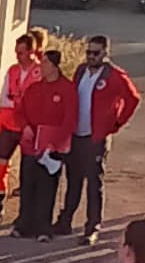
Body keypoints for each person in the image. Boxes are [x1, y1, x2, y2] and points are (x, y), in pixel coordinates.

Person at [56, 31, 140, 242]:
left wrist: (117, 123)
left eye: (95, 53)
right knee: (73, 180)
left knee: (94, 183)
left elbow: (133, 98)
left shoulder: (115, 76)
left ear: (105, 53)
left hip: (96, 138)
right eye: (88, 52)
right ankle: (65, 221)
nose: (90, 56)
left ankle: (92, 227)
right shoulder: (81, 71)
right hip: (77, 134)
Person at [11, 41, 76, 238]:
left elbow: (70, 119)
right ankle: (24, 225)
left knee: (47, 188)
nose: (42, 66)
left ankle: (43, 228)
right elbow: (19, 112)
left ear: (55, 66)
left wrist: (55, 142)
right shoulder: (34, 89)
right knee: (28, 185)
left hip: (51, 148)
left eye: (46, 63)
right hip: (30, 146)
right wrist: (25, 128)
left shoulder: (67, 89)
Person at [0, 29, 43, 221]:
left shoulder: (40, 72)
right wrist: (20, 101)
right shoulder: (12, 71)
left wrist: (17, 100)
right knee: (0, 165)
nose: (17, 56)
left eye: (21, 52)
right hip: (9, 125)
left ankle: (25, 213)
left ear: (31, 52)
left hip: (30, 129)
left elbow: (37, 103)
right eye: (16, 52)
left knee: (29, 169)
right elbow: (4, 100)